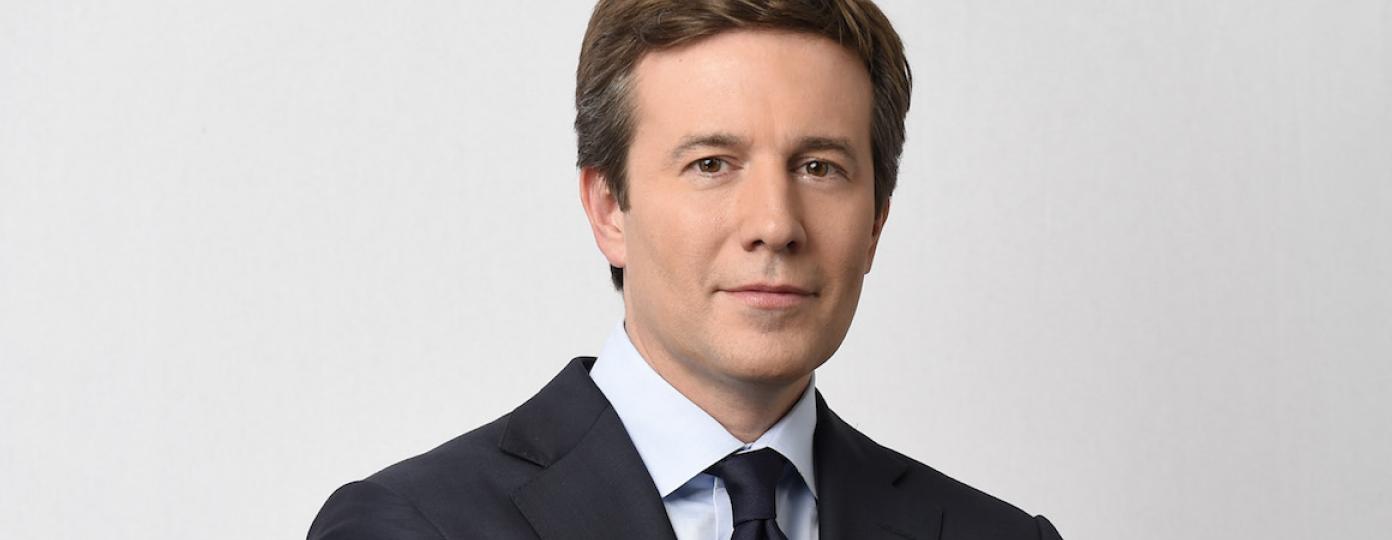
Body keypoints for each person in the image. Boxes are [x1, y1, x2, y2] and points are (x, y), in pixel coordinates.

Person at [308, 1, 1063, 538]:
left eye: (819, 167)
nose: (776, 224)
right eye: (712, 163)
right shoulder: (414, 527)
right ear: (609, 208)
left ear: (876, 222)